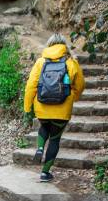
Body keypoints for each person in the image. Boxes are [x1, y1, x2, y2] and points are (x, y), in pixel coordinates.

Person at [23, 33, 85, 182]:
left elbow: (31, 86)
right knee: (55, 138)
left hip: (42, 106)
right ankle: (45, 173)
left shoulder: (40, 62)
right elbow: (80, 85)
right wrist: (73, 97)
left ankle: (39, 148)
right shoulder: (71, 62)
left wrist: (27, 107)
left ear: (49, 45)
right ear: (64, 46)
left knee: (44, 127)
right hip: (62, 108)